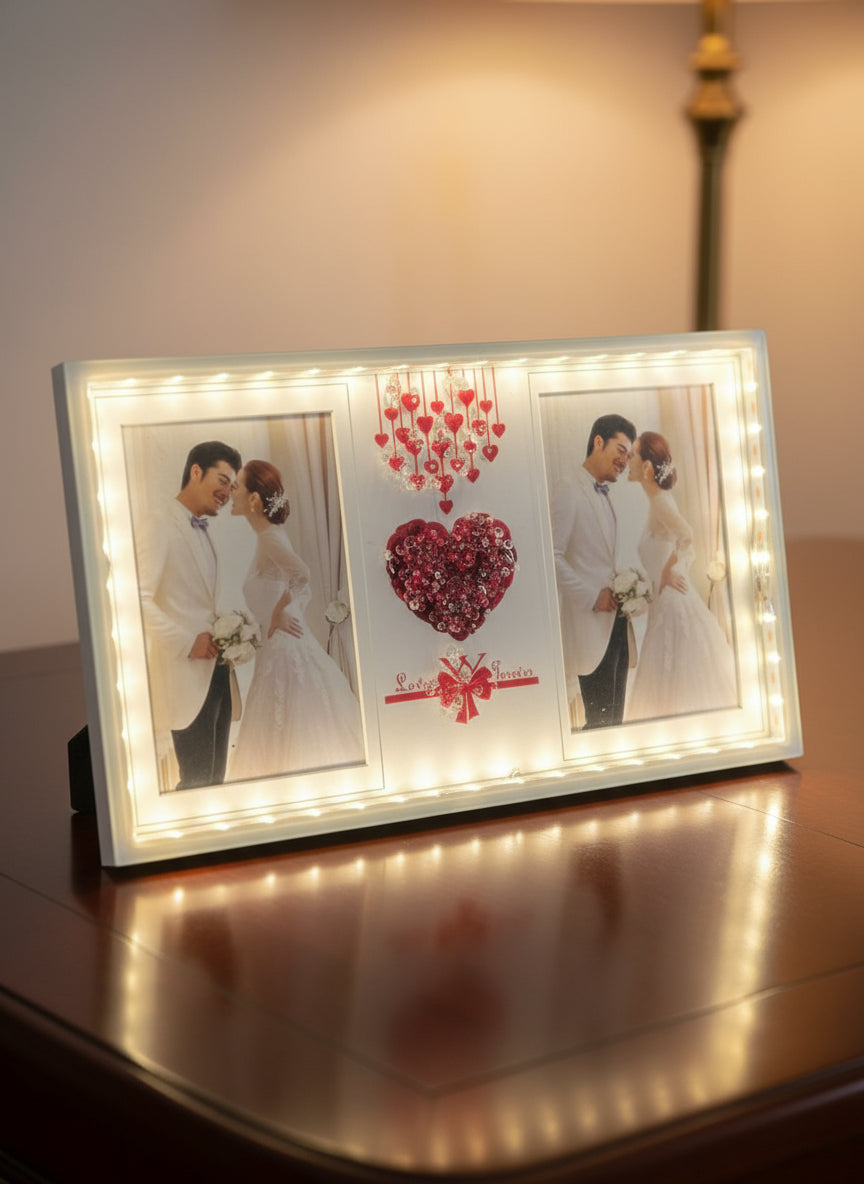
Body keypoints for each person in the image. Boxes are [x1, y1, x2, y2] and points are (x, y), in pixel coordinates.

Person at [228, 459, 364, 780]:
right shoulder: (268, 536)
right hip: (277, 649)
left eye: (238, 486)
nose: (231, 493)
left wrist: (281, 612)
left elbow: (302, 575)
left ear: (254, 500)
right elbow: (291, 582)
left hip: (286, 651)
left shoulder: (271, 538)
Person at [136, 440, 242, 789]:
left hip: (218, 675)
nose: (227, 492)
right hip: (185, 676)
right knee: (196, 784)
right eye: (223, 480)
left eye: (232, 485)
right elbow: (137, 599)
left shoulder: (204, 531)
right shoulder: (158, 524)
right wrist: (186, 643)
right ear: (196, 471)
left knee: (215, 781)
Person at [625, 430, 738, 721]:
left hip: (674, 604)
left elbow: (688, 536)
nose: (628, 460)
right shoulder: (656, 501)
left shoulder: (661, 501)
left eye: (633, 454)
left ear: (647, 466)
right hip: (664, 604)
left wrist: (669, 571)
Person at [550, 413, 637, 728]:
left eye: (628, 455)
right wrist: (591, 597)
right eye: (620, 450)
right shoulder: (568, 488)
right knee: (600, 724)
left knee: (615, 720)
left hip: (616, 624)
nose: (624, 461)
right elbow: (553, 556)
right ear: (598, 441)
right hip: (590, 627)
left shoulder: (605, 495)